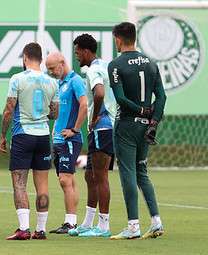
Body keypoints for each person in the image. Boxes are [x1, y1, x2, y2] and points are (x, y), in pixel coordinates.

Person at [107, 22, 166, 240]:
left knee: (128, 173)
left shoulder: (116, 64)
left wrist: (140, 109)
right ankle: (156, 221)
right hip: (145, 127)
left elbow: (121, 98)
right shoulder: (151, 63)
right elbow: (162, 96)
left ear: (118, 39)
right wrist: (154, 122)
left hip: (127, 125)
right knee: (142, 172)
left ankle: (133, 226)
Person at [0, 42, 59, 241]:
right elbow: (54, 113)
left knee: (20, 184)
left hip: (22, 135)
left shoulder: (17, 79)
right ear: (41, 59)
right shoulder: (52, 82)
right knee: (42, 185)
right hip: (43, 136)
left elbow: (9, 109)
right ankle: (40, 230)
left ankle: (24, 229)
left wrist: (2, 136)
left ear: (25, 58)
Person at [72, 33, 117, 238]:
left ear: (85, 50)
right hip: (106, 128)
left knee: (100, 177)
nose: (76, 56)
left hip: (102, 128)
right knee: (90, 175)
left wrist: (95, 117)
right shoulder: (105, 66)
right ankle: (88, 222)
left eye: (77, 52)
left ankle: (104, 226)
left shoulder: (94, 70)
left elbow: (99, 93)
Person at [46, 51, 88, 234]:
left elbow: (84, 105)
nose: (51, 72)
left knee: (65, 179)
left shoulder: (75, 81)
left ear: (62, 63)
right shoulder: (59, 84)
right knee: (67, 179)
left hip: (70, 139)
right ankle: (70, 221)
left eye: (52, 68)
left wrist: (75, 129)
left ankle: (71, 223)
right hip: (58, 139)